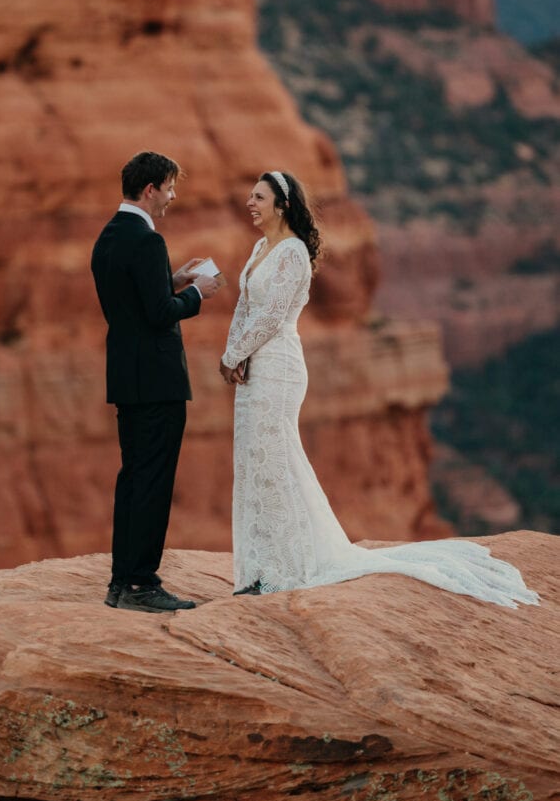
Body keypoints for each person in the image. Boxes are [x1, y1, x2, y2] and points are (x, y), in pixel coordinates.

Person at [220, 170, 539, 609]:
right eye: (250, 196)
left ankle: (284, 569)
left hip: (278, 366)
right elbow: (245, 305)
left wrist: (234, 353)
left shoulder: (292, 252)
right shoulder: (259, 248)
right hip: (252, 365)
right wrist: (233, 352)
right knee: (254, 458)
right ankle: (257, 567)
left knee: (275, 458)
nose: (250, 203)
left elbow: (273, 314)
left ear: (282, 204)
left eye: (258, 197)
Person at [92, 151, 221, 613]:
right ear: (150, 190)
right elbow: (159, 314)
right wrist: (194, 292)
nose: (172, 197)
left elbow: (133, 301)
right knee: (153, 482)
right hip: (158, 380)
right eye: (169, 188)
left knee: (133, 479)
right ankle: (142, 586)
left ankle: (121, 581)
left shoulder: (109, 236)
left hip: (127, 377)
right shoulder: (147, 240)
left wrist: (172, 279)